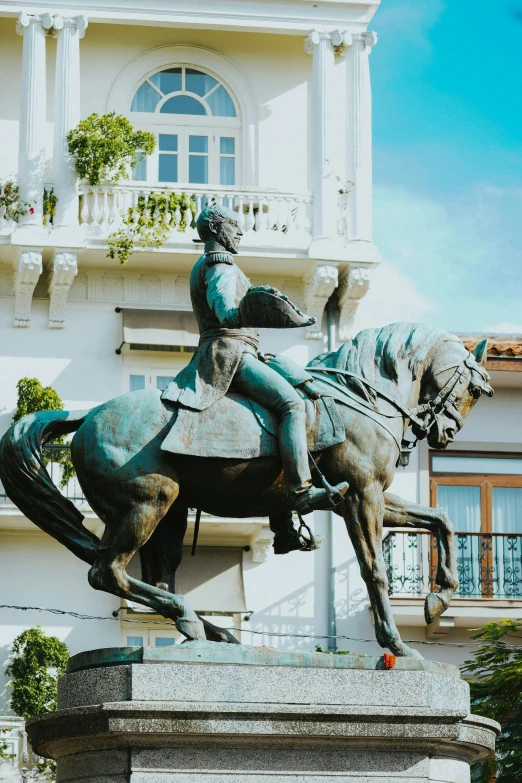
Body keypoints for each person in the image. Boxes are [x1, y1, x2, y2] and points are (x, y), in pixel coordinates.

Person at [161, 203, 348, 515]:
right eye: (234, 225)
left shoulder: (207, 264)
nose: (240, 232)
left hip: (238, 352)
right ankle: (301, 492)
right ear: (216, 229)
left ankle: (282, 523)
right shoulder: (220, 265)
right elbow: (224, 310)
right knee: (292, 405)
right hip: (231, 355)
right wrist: (255, 310)